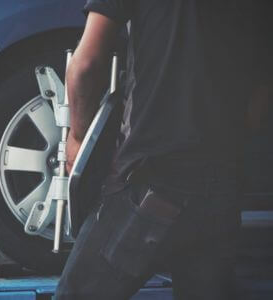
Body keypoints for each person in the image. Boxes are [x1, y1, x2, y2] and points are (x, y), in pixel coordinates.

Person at [55, 1, 270, 299]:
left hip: (150, 183)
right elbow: (257, 110)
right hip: (220, 192)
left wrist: (77, 138)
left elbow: (86, 65)